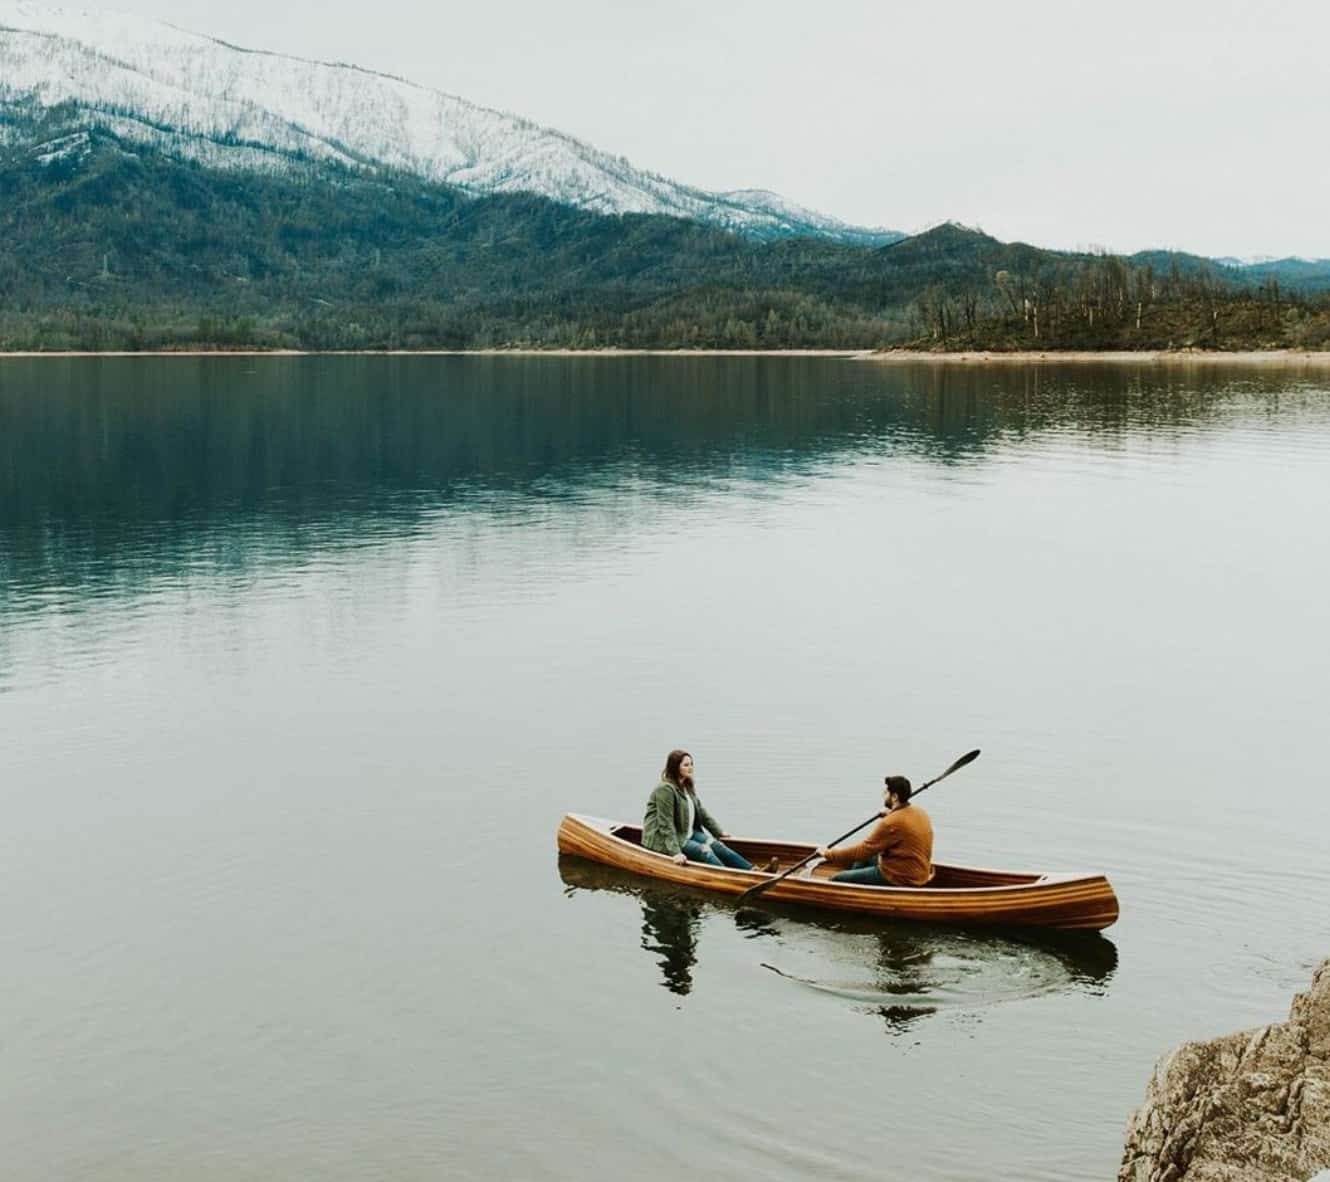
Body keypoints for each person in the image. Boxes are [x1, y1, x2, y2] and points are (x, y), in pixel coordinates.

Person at [642, 749, 760, 870]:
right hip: (667, 839)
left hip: (688, 833)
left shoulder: (686, 786)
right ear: (675, 767)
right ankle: (732, 877)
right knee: (705, 850)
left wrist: (718, 831)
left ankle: (753, 871)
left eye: (691, 764)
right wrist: (675, 853)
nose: (691, 768)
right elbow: (665, 824)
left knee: (718, 846)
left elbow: (701, 812)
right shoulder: (665, 789)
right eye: (686, 765)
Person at [817, 774, 933, 886]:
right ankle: (857, 881)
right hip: (919, 873)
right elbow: (901, 823)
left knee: (837, 878)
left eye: (886, 792)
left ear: (895, 797)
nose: (883, 795)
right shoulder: (920, 812)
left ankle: (852, 883)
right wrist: (891, 814)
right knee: (867, 857)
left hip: (899, 877)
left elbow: (861, 851)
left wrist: (828, 854)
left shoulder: (891, 822)